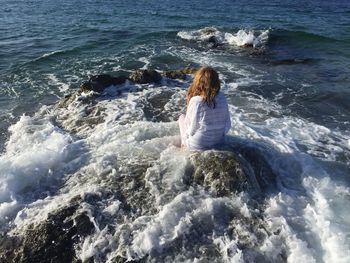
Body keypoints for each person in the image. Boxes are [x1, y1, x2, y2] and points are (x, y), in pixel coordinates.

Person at [178, 66, 231, 150]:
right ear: (217, 82)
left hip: (198, 144)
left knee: (181, 117)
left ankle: (183, 146)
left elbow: (191, 129)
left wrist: (185, 139)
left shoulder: (196, 101)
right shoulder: (222, 97)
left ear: (199, 82)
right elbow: (228, 124)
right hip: (218, 142)